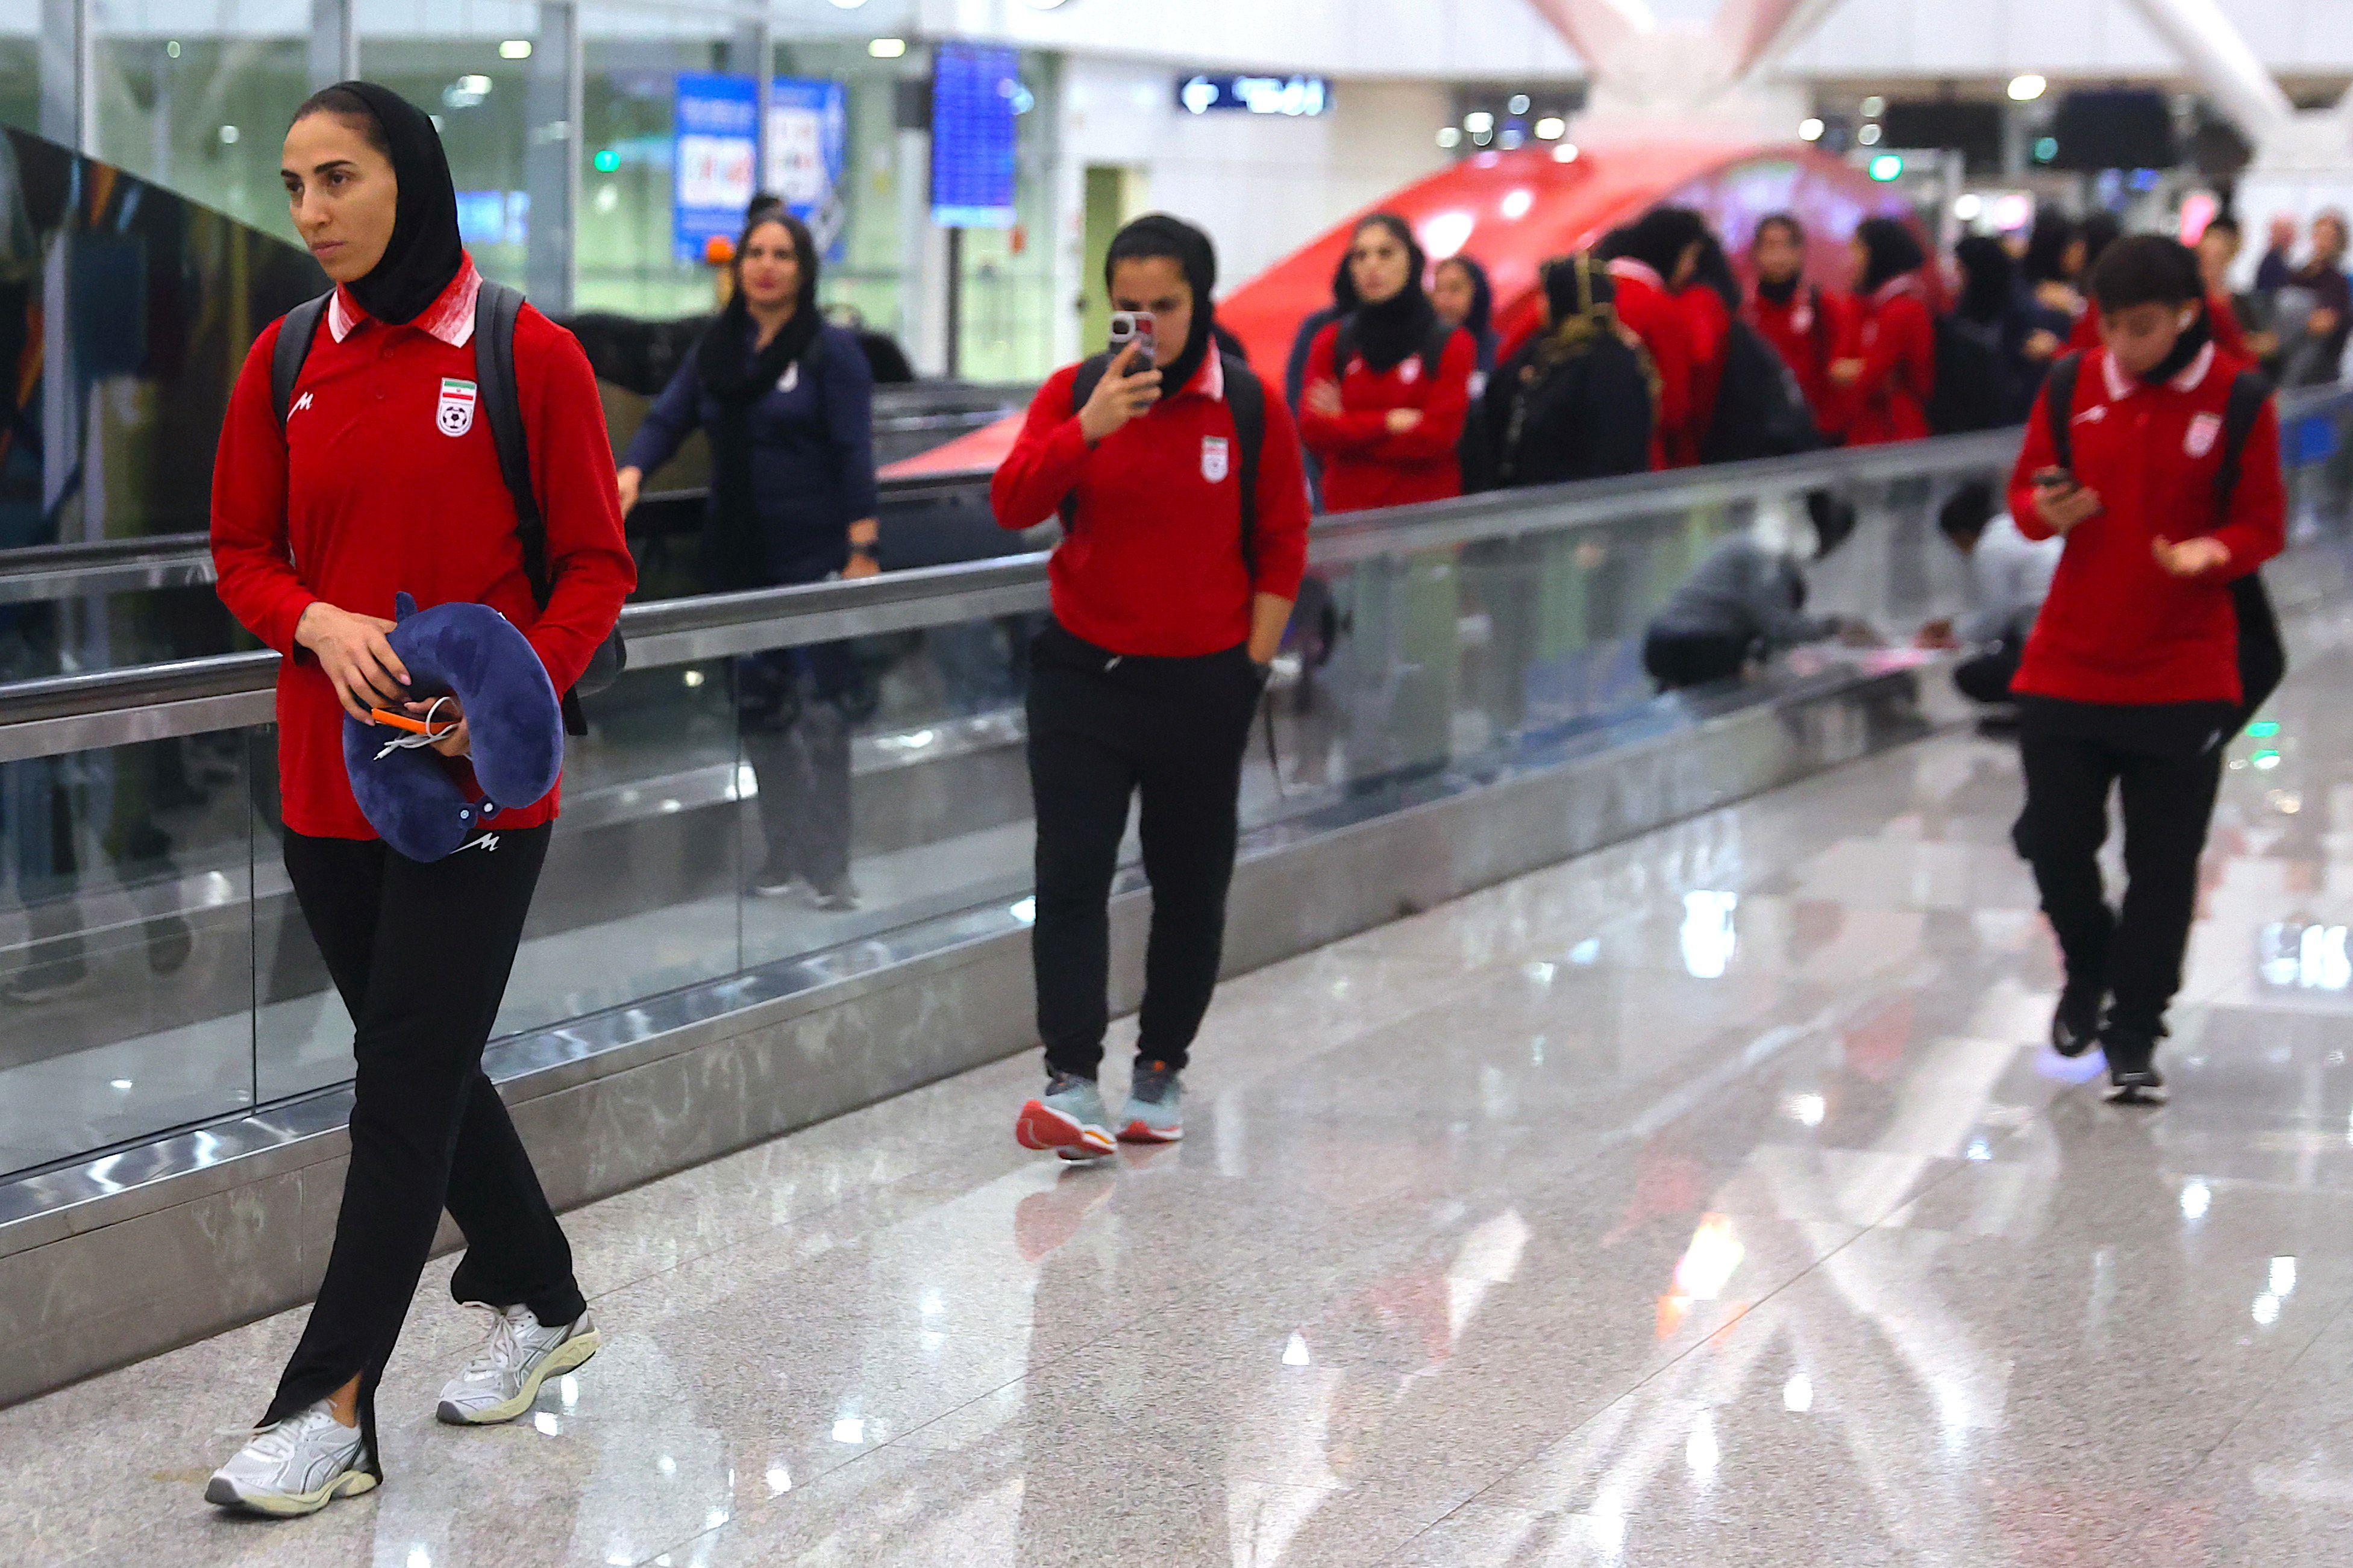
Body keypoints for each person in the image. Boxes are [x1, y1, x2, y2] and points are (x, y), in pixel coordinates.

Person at [204, 81, 634, 1515]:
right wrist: (313, 619)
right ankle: (546, 1291)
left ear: (412, 180)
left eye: (337, 179)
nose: (311, 212)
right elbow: (239, 548)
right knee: (424, 1058)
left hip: (479, 797)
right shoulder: (283, 361)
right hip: (329, 792)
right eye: (292, 186)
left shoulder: (526, 354)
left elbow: (593, 568)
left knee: (396, 1084)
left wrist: (508, 691)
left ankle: (328, 1406)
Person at [989, 214, 1309, 1157]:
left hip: (1204, 685)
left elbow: (1284, 540)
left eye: (1162, 307)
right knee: (1072, 873)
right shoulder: (1076, 393)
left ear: (1199, 302)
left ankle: (1160, 1066)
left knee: (1189, 881)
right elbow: (1012, 501)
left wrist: (1249, 663)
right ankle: (1071, 1080)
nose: (1145, 326)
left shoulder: (1248, 407)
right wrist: (1086, 430)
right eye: (1126, 308)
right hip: (1084, 677)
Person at [2007, 235, 2286, 1104]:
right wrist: (2046, 509)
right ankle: (2087, 969)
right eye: (2112, 327)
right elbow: (2022, 500)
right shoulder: (2069, 384)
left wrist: (2215, 548)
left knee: (2164, 863)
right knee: (2053, 841)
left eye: (2145, 327)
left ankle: (2134, 1028)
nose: (2125, 346)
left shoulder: (2238, 400)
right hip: (2066, 661)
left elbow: (2264, 523)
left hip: (2182, 670)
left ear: (2187, 314)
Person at [617, 205, 879, 909]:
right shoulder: (718, 349)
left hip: (814, 557)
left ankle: (831, 866)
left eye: (782, 255)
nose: (765, 265)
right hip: (737, 555)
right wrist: (633, 473)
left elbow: (856, 452)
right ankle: (783, 852)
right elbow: (668, 417)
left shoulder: (831, 351)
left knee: (823, 717)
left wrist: (861, 547)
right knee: (760, 713)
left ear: (804, 269)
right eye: (754, 253)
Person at [1298, 213, 1477, 512]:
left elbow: (1438, 436)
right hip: (1349, 528)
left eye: (1386, 253)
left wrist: (1346, 423)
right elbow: (1313, 429)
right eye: (1360, 255)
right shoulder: (1331, 340)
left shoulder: (1452, 342)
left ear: (1412, 260)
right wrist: (1389, 421)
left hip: (1424, 529)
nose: (1372, 265)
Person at [1461, 252, 1654, 490]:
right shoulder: (1541, 347)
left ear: (1563, 300)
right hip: (1529, 497)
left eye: (1546, 295)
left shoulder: (1610, 362)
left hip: (1578, 502)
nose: (1541, 305)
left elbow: (1612, 450)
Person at [1641, 496, 1867, 690]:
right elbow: (1777, 626)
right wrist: (1835, 628)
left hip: (1669, 640)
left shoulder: (1758, 545)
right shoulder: (1768, 556)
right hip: (1694, 646)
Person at [1920, 481, 2061, 707]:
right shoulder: (2013, 528)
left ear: (1962, 536)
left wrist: (1953, 635)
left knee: (1970, 675)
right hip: (2055, 630)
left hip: (2048, 645)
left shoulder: (1990, 548)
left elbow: (1995, 618)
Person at [1599, 208, 1709, 466]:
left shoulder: (1576, 295)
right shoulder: (1659, 309)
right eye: (1690, 256)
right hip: (1640, 462)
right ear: (1670, 252)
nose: (1692, 268)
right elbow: (1674, 410)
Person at [1743, 211, 1852, 440]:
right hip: (1762, 432)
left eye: (1787, 246)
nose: (1779, 255)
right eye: (1771, 246)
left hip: (1816, 430)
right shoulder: (1744, 312)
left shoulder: (1822, 305)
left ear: (1800, 251)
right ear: (1756, 252)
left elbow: (1838, 366)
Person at [1831, 217, 1936, 446]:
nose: (1851, 260)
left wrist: (1861, 370)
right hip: (1869, 436)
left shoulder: (1904, 309)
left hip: (1897, 438)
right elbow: (1838, 369)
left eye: (1857, 249)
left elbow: (1871, 379)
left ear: (1877, 254)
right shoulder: (1867, 306)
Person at [2281, 209, 2351, 387]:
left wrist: (2281, 338)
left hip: (2317, 369)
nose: (2323, 241)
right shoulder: (2298, 274)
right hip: (2287, 363)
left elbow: (2323, 323)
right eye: (2320, 234)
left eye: (2330, 237)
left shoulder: (2337, 282)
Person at [1432, 252, 1500, 386]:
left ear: (1478, 293)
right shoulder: (1423, 350)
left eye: (1455, 289)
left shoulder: (1499, 353)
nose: (1444, 300)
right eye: (1439, 289)